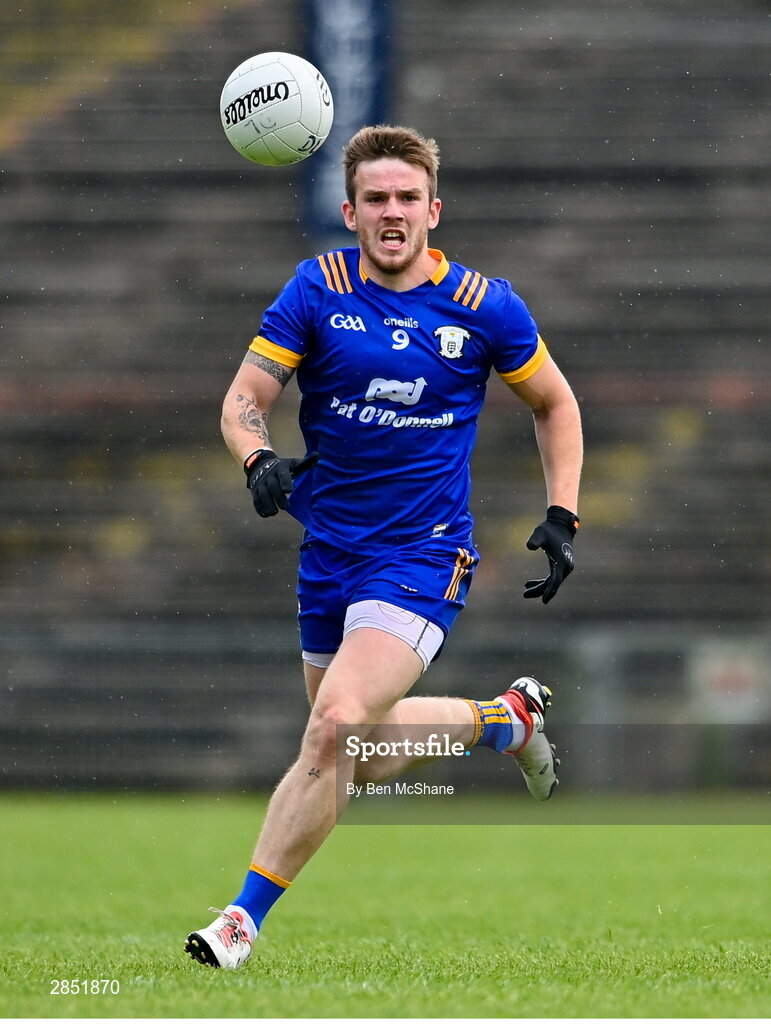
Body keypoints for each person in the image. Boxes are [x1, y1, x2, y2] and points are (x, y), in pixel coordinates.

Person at [185, 125, 583, 969]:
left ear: (433, 210)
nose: (392, 212)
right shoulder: (316, 287)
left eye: (407, 198)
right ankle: (501, 722)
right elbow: (242, 399)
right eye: (376, 199)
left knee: (331, 728)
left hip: (422, 555)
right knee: (348, 758)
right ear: (350, 212)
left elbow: (554, 403)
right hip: (329, 554)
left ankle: (238, 922)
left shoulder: (483, 306)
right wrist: (255, 457)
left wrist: (562, 513)